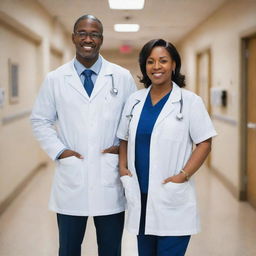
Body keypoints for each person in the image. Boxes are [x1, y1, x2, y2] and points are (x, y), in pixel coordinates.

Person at [30, 14, 136, 256]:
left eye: (94, 34)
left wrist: (121, 148)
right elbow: (40, 120)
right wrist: (61, 151)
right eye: (82, 33)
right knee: (68, 249)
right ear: (73, 37)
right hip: (71, 177)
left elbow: (132, 121)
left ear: (101, 39)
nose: (88, 39)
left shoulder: (121, 77)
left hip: (109, 178)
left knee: (110, 249)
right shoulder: (55, 79)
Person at [117, 39, 217, 256]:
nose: (156, 67)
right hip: (140, 195)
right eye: (150, 61)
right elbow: (123, 137)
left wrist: (183, 175)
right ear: (144, 66)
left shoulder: (190, 102)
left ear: (173, 64)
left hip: (171, 194)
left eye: (163, 60)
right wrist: (122, 168)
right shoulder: (134, 100)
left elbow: (205, 142)